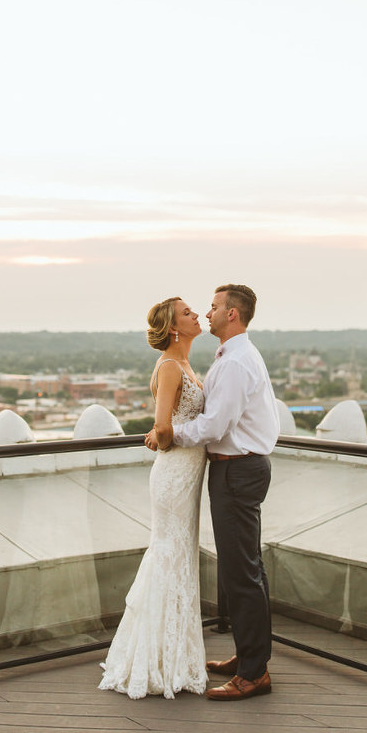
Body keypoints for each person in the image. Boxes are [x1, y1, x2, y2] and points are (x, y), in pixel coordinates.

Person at [145, 284, 279, 701]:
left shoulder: (236, 362)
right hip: (231, 471)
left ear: (232, 315)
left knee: (241, 573)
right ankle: (249, 657)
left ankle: (254, 673)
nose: (208, 312)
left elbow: (215, 426)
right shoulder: (228, 357)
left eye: (214, 306)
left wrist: (168, 435)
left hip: (237, 471)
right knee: (244, 568)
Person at [99, 296, 208, 698]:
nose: (196, 314)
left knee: (181, 556)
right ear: (174, 327)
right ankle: (154, 660)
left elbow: (167, 424)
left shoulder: (185, 365)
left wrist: (163, 432)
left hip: (189, 474)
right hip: (174, 475)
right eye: (188, 313)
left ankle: (173, 654)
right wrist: (157, 435)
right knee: (168, 554)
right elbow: (163, 430)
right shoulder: (168, 366)